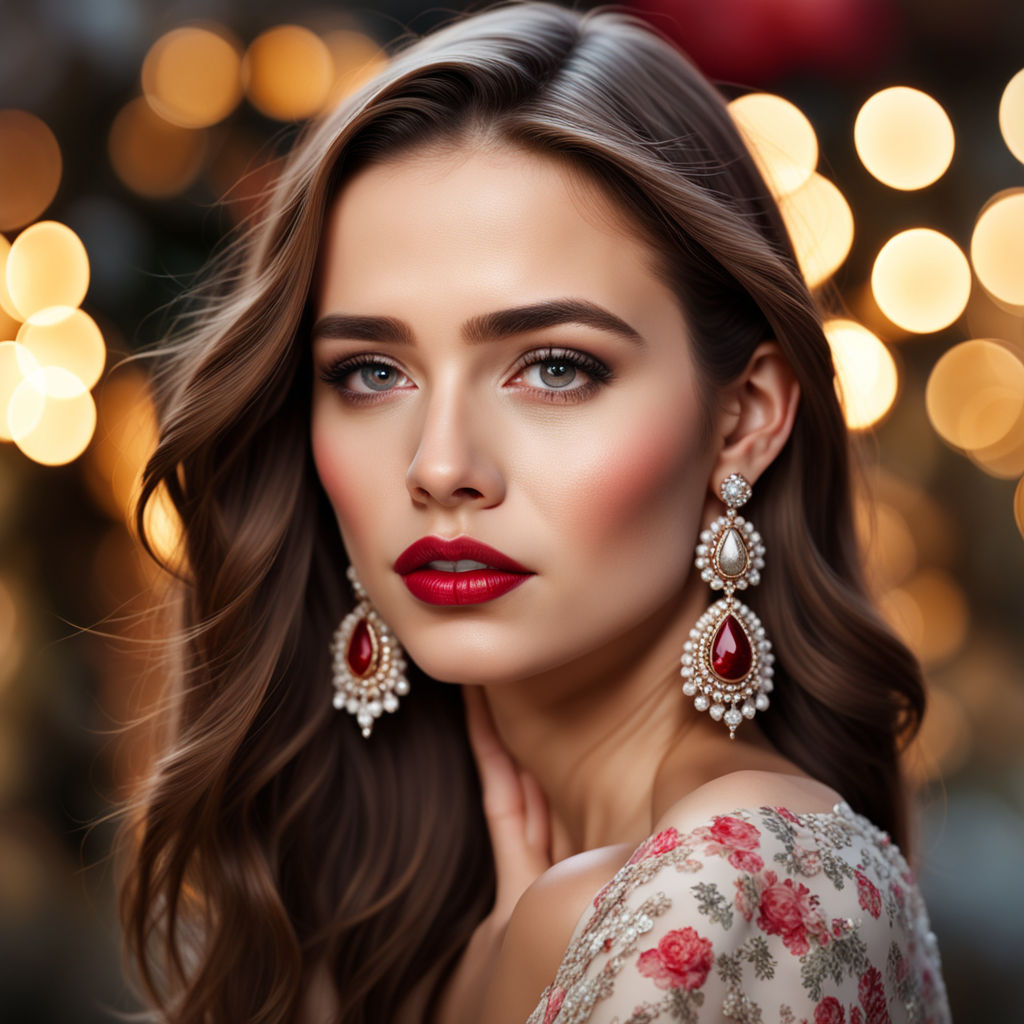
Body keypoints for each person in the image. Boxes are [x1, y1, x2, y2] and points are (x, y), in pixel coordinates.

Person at [116, 1, 952, 1021]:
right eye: (372, 371)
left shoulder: (746, 892)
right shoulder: (521, 910)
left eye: (554, 367)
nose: (439, 465)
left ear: (743, 419)